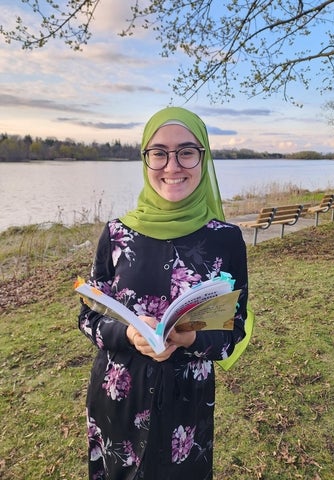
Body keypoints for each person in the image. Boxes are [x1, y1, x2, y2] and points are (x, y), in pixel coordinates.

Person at [78, 106, 248, 480]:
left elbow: (232, 333)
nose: (172, 166)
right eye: (159, 153)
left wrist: (191, 338)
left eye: (187, 151)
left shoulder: (226, 239)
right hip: (119, 395)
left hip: (187, 406)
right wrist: (126, 333)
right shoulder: (116, 234)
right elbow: (88, 316)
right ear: (145, 159)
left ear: (204, 158)